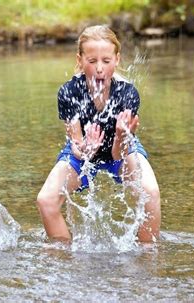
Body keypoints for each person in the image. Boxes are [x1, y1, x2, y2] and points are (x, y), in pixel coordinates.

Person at [36, 25, 161, 243]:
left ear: (117, 60)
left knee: (150, 193)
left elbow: (116, 155)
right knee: (46, 200)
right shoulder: (69, 92)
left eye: (106, 61)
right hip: (82, 152)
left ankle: (147, 256)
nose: (99, 69)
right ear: (80, 60)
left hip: (121, 149)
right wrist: (84, 149)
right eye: (92, 61)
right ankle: (64, 255)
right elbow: (75, 143)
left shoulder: (127, 93)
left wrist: (122, 136)